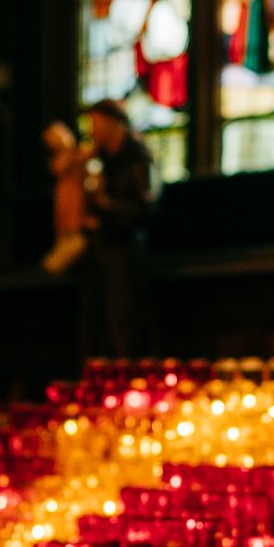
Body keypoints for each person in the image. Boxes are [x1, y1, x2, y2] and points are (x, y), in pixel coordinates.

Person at [81, 99, 154, 358]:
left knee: (124, 322)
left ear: (114, 124)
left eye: (96, 125)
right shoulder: (99, 160)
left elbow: (147, 207)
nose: (92, 132)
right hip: (100, 248)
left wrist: (105, 205)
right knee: (98, 324)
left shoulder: (137, 158)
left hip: (126, 250)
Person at [41, 122, 89, 276]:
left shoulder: (78, 154)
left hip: (77, 197)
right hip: (66, 197)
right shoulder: (60, 159)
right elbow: (59, 167)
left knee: (75, 231)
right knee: (64, 230)